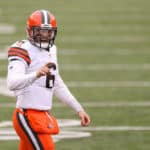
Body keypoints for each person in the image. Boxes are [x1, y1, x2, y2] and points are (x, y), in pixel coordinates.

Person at [7, 9, 91, 150]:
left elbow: (56, 83)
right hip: (26, 115)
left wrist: (78, 109)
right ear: (29, 31)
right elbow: (12, 83)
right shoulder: (22, 49)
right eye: (39, 31)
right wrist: (35, 75)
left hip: (43, 115)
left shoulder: (52, 50)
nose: (44, 36)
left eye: (48, 32)